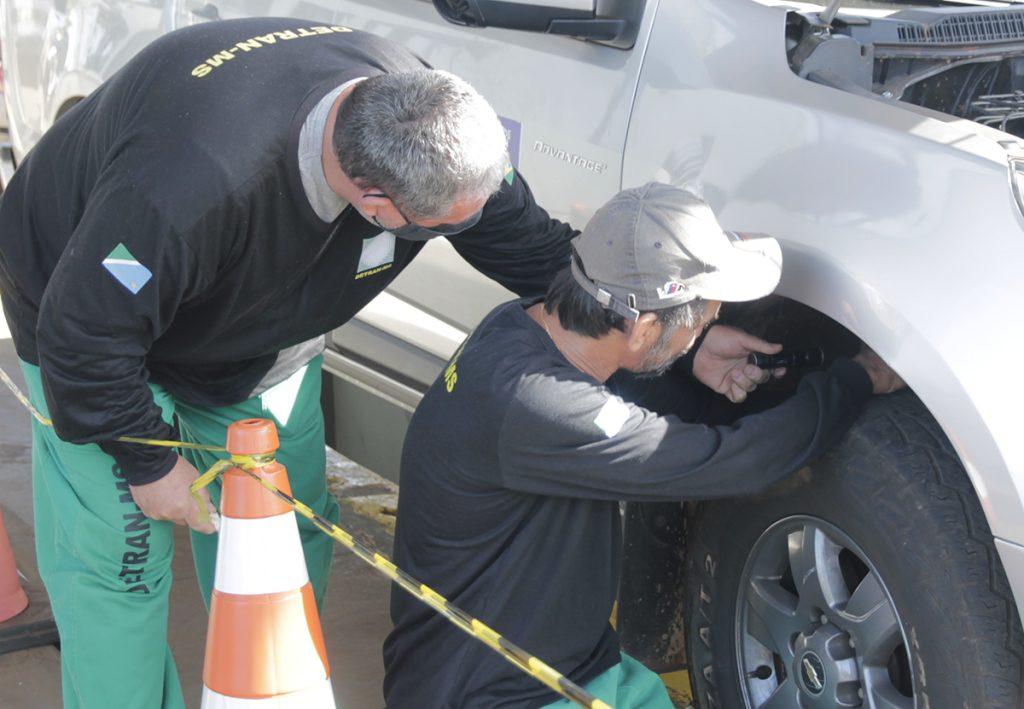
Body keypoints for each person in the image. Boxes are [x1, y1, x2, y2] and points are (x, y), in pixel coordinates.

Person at [0, 17, 576, 708]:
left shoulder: (427, 119)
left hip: (254, 328)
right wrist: (146, 461)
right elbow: (84, 335)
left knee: (282, 532)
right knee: (119, 563)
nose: (465, 230)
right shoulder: (188, 184)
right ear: (372, 201)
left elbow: (528, 244)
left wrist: (634, 318)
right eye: (443, 227)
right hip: (87, 315)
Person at [382, 182, 904, 708]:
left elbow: (624, 391)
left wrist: (691, 356)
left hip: (569, 663)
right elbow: (730, 461)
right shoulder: (542, 405)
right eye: (702, 321)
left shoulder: (520, 327)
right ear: (644, 328)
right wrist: (855, 380)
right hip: (502, 694)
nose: (704, 329)